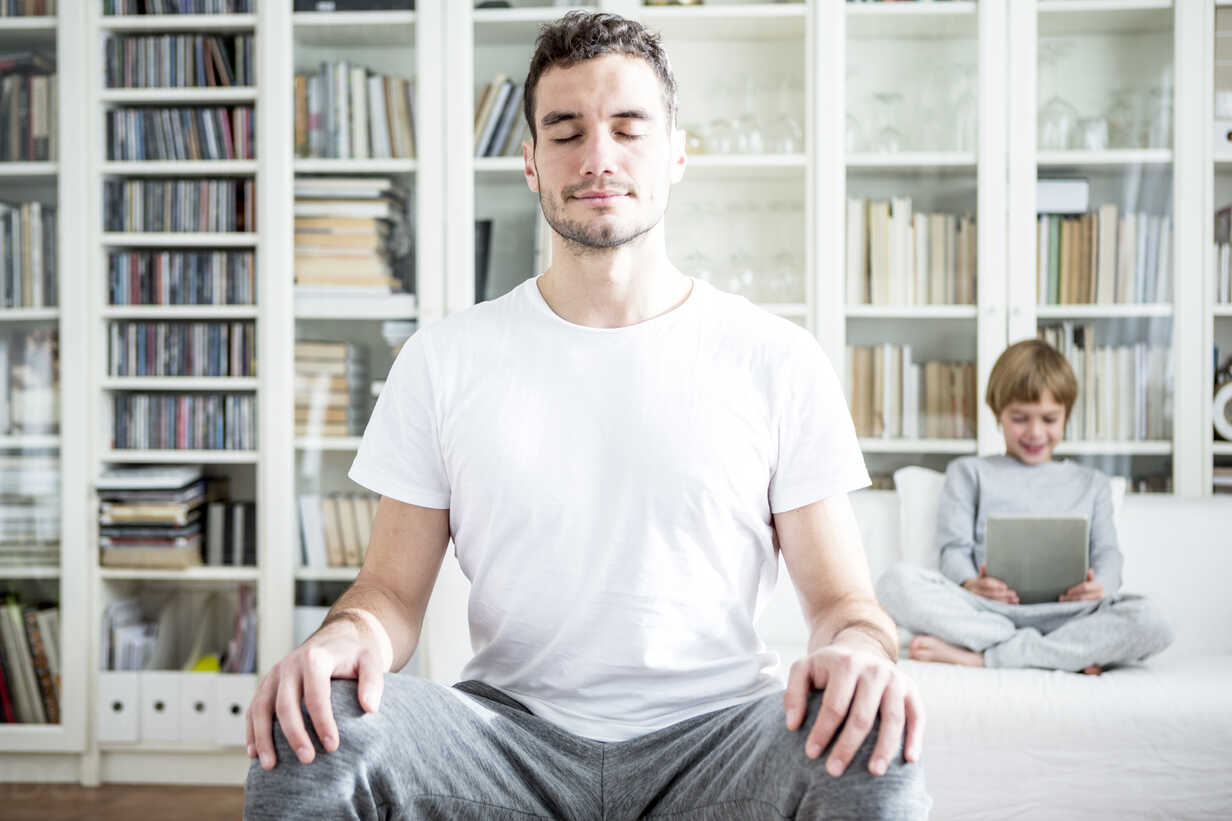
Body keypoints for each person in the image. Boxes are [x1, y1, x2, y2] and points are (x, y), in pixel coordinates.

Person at [244, 11, 929, 820]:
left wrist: (858, 650)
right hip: (506, 741)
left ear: (677, 151)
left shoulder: (776, 359)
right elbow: (391, 591)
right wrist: (346, 633)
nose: (597, 157)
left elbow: (844, 604)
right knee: (313, 725)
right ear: (531, 162)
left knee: (873, 747)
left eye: (627, 129)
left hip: (716, 740)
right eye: (565, 132)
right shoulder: (443, 359)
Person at [877, 338, 1174, 675]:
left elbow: (1107, 552)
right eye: (1020, 418)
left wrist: (1101, 586)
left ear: (1066, 416)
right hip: (986, 613)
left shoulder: (1092, 483)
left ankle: (986, 657)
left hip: (1072, 616)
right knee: (894, 583)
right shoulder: (969, 473)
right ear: (998, 413)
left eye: (1049, 419)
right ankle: (1061, 655)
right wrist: (970, 583)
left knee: (1155, 619)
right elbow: (953, 550)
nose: (1035, 432)